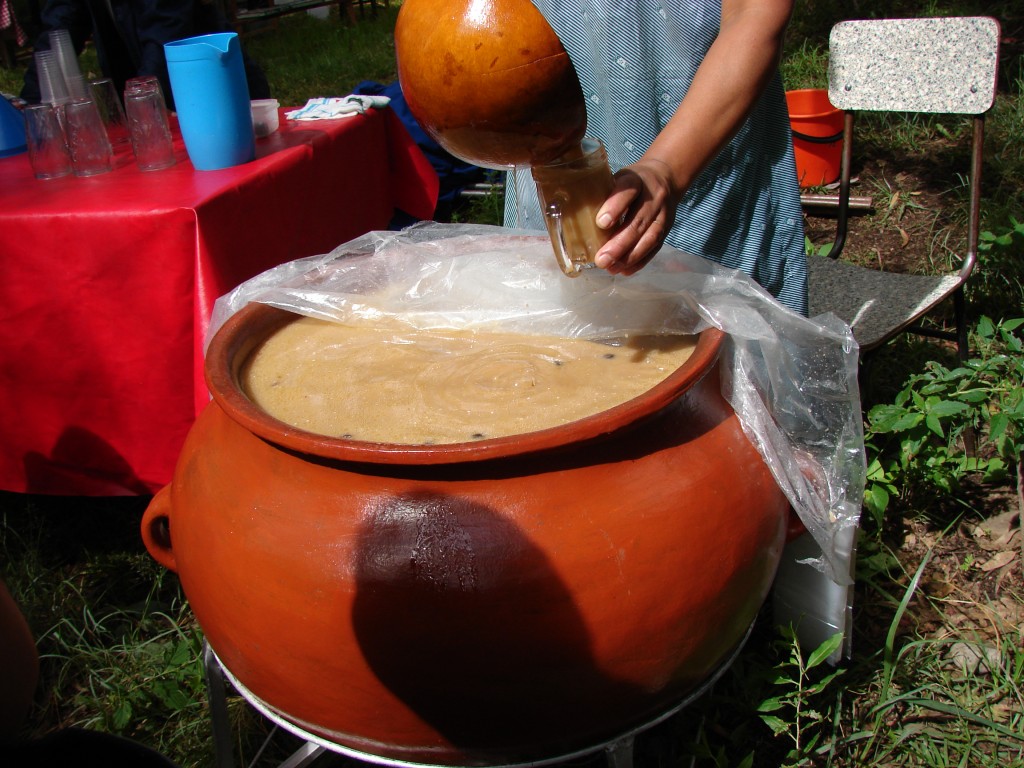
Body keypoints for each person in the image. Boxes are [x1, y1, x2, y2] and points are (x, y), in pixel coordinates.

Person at [505, 0, 808, 316]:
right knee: (560, 331)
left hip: (704, 143)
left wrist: (667, 168)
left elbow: (755, 12)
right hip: (546, 146)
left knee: (713, 335)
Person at [20, 0, 270, 112]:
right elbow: (59, 27)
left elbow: (165, 30)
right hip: (149, 102)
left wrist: (140, 100)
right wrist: (29, 103)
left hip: (210, 92)